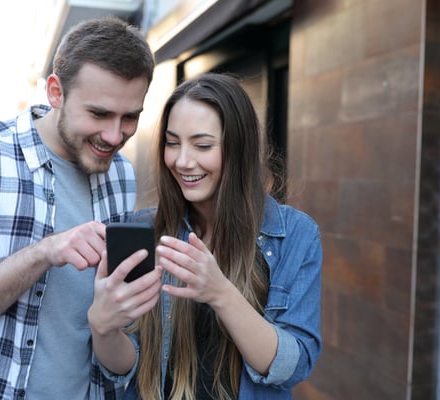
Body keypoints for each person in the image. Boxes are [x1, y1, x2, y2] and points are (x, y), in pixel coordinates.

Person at [0, 16, 159, 399]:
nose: (115, 136)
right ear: (55, 92)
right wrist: (44, 252)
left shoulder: (122, 175)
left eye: (130, 117)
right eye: (98, 114)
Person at [87, 73, 323, 399]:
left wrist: (220, 293)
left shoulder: (296, 235)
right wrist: (103, 328)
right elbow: (127, 365)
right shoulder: (146, 229)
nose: (183, 161)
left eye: (202, 145)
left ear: (238, 149)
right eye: (172, 143)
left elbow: (292, 366)